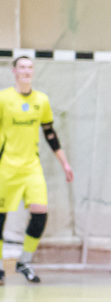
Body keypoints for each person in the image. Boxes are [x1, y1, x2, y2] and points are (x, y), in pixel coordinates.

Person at [0, 56, 74, 285]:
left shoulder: (41, 100)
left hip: (31, 167)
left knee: (40, 213)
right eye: (22, 67)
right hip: (6, 167)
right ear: (14, 71)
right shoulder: (3, 98)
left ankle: (24, 261)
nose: (26, 71)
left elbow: (49, 133)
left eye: (30, 67)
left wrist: (64, 163)